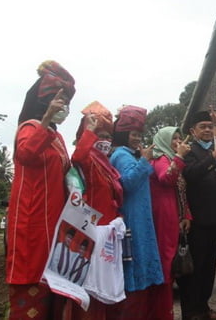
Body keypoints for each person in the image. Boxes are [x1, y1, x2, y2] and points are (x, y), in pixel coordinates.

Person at [7, 60, 75, 319]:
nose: (64, 108)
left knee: (53, 293)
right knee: (30, 291)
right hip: (32, 223)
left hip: (55, 224)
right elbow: (26, 154)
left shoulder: (57, 138)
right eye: (60, 101)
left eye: (66, 103)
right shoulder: (29, 128)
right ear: (44, 101)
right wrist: (45, 120)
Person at [70, 101, 124, 319]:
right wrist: (89, 132)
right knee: (92, 290)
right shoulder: (88, 159)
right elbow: (78, 157)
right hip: (92, 233)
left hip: (109, 233)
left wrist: (118, 218)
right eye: (100, 135)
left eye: (108, 136)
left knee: (108, 287)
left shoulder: (107, 164)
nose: (105, 140)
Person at [109, 105, 164, 318]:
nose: (137, 138)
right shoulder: (122, 155)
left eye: (139, 134)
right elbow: (127, 183)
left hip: (141, 217)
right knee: (133, 272)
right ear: (123, 134)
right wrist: (144, 161)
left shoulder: (130, 154)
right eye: (133, 134)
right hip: (132, 219)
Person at [178, 110, 216, 320]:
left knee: (209, 269)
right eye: (203, 127)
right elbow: (191, 174)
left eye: (210, 126)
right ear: (193, 131)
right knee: (194, 269)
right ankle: (191, 312)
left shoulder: (214, 149)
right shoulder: (189, 151)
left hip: (214, 218)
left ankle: (204, 306)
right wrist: (214, 155)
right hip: (196, 220)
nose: (207, 130)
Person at [149, 126, 193, 320]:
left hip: (175, 215)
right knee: (166, 265)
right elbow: (166, 178)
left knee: (171, 264)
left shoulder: (171, 158)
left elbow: (181, 190)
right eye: (173, 138)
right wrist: (180, 158)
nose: (177, 142)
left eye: (179, 138)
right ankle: (163, 313)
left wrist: (186, 216)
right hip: (164, 217)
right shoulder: (161, 159)